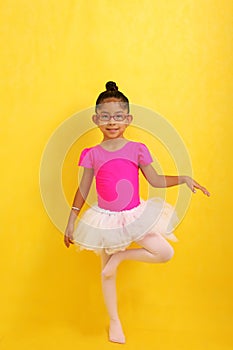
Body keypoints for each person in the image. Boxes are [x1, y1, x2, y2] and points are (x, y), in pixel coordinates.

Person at [64, 81, 210, 344]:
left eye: (118, 116)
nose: (112, 122)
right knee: (106, 273)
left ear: (128, 119)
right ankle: (115, 322)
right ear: (96, 119)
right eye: (105, 116)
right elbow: (83, 189)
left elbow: (154, 179)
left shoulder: (137, 149)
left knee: (164, 252)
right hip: (105, 219)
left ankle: (120, 258)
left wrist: (183, 178)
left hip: (133, 215)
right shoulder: (92, 153)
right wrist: (71, 220)